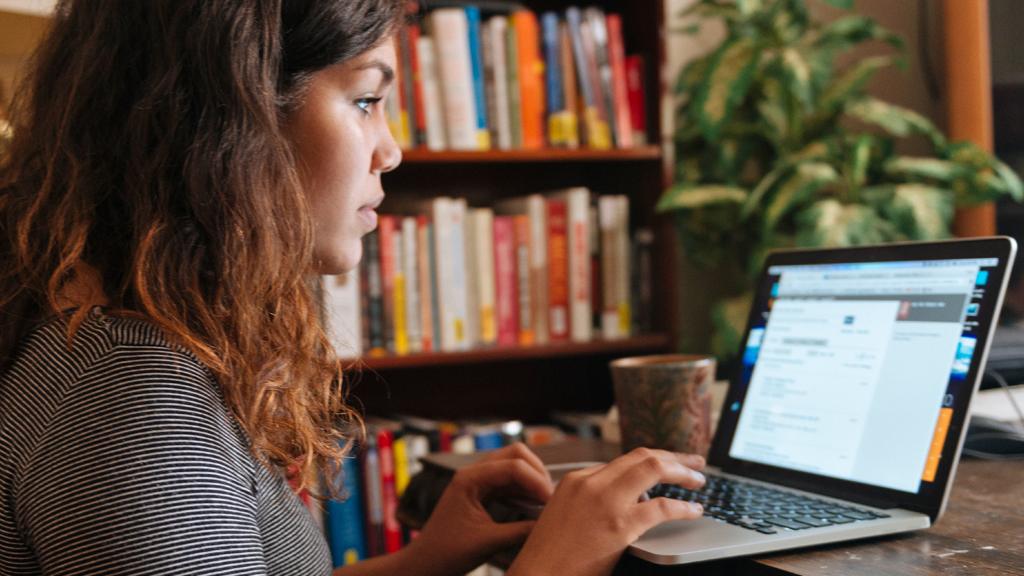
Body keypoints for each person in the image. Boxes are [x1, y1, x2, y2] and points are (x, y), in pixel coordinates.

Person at [0, 1, 707, 574]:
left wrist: (424, 562)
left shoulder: (119, 343)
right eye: (367, 100)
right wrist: (557, 565)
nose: (391, 149)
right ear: (231, 121)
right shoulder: (135, 400)